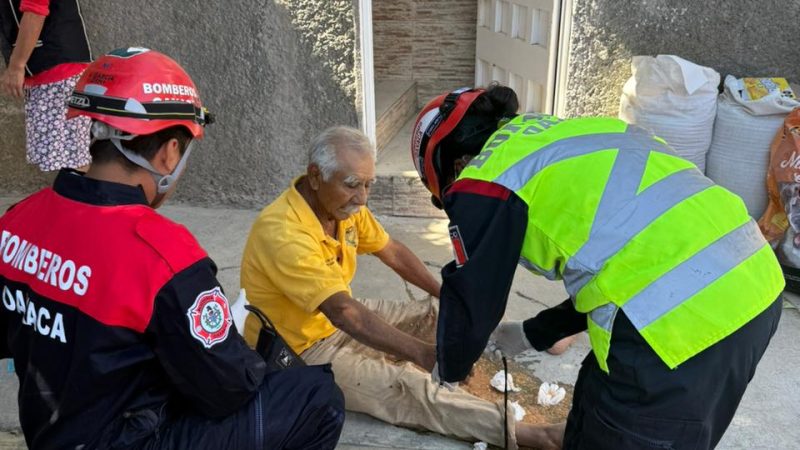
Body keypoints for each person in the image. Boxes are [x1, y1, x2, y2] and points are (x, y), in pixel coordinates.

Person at [0, 47, 344, 449]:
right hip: (131, 439)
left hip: (54, 433)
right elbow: (227, 387)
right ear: (169, 153)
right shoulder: (164, 255)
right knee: (316, 397)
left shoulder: (17, 220)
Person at [411, 84, 784, 449]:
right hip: (756, 284)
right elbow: (628, 266)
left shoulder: (483, 176)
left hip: (679, 323)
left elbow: (475, 293)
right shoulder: (575, 133)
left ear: (452, 164)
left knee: (627, 429)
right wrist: (533, 333)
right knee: (627, 415)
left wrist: (451, 364)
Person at [240, 125, 563, 449]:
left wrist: (446, 296)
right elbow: (343, 313)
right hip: (299, 350)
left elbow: (392, 251)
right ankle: (528, 434)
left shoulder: (342, 209)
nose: (362, 198)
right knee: (408, 386)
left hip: (335, 320)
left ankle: (513, 344)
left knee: (437, 315)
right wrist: (422, 354)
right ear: (314, 176)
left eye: (368, 185)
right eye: (352, 185)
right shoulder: (283, 232)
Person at [0, 0, 93, 172]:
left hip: (58, 68)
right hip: (48, 70)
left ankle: (76, 197)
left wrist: (16, 66)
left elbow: (35, 11)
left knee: (72, 157)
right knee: (65, 153)